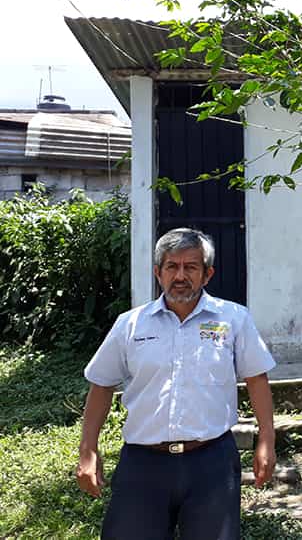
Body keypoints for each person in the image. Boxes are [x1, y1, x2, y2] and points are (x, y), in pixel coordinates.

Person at [76, 227, 276, 540]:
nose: (180, 275)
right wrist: (88, 449)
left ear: (207, 274)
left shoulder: (234, 319)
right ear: (158, 272)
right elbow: (101, 384)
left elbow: (256, 379)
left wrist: (266, 440)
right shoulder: (130, 324)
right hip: (143, 465)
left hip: (211, 462)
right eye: (172, 266)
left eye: (191, 267)